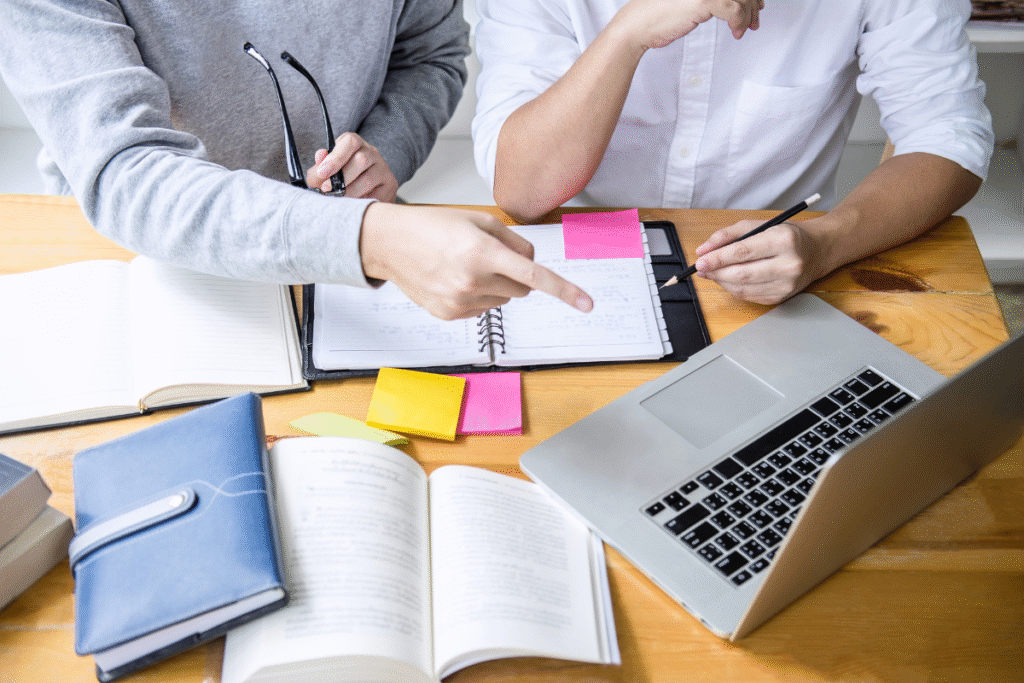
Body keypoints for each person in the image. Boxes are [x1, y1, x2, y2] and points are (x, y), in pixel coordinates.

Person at [0, 0, 593, 321]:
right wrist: (365, 237)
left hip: (356, 248)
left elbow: (430, 57)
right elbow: (127, 173)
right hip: (137, 258)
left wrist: (385, 150)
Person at [472, 0, 994, 304]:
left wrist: (826, 243)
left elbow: (946, 135)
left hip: (781, 271)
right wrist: (628, 33)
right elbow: (523, 191)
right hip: (574, 260)